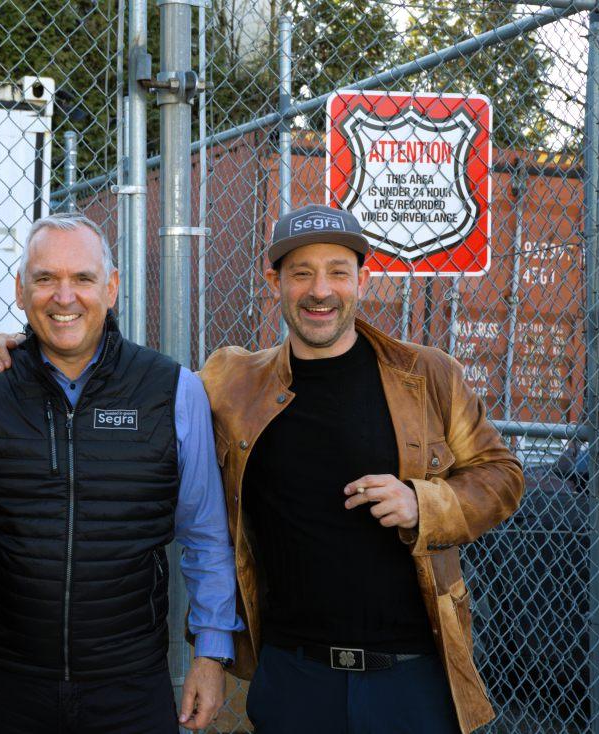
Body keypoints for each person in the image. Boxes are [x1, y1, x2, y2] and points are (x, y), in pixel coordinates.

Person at [198, 204, 524, 733]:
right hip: (293, 676)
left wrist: (423, 503)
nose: (320, 290)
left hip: (412, 677)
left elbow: (501, 474)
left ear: (362, 280)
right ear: (274, 283)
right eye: (301, 273)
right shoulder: (232, 383)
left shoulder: (428, 375)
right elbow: (156, 419)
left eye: (337, 272)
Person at [0, 213, 241, 734]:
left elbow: (204, 534)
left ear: (111, 288)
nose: (64, 297)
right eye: (45, 278)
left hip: (129, 682)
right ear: (20, 291)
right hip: (7, 679)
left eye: (82, 278)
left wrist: (211, 652)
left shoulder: (173, 391)